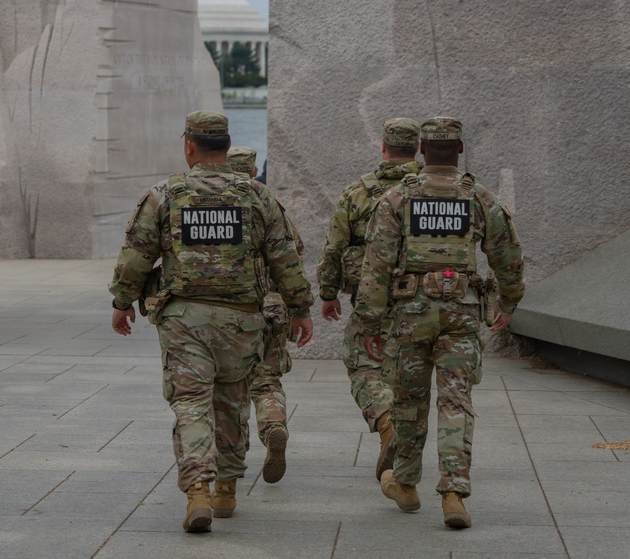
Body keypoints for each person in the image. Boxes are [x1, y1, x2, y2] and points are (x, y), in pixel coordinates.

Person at [109, 112, 314, 533]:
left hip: (184, 318)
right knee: (232, 400)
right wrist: (300, 309)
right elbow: (284, 257)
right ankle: (226, 488)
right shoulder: (257, 195)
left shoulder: (165, 194)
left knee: (190, 403)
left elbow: (137, 253)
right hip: (242, 319)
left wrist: (122, 301)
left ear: (189, 146)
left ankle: (197, 489)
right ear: (226, 145)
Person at [355, 117, 524, 529]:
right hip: (461, 315)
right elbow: (508, 257)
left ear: (421, 151)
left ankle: (407, 483)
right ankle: (453, 492)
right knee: (456, 402)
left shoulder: (397, 198)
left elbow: (375, 267)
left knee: (409, 404)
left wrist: (369, 325)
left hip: (410, 316)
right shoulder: (479, 197)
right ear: (460, 149)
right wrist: (508, 301)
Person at [317, 118, 423, 480]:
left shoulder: (358, 192)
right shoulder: (433, 190)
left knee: (363, 362)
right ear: (417, 149)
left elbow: (334, 247)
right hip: (424, 300)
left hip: (370, 295)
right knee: (410, 370)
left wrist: (328, 294)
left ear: (383, 147)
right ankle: (409, 454)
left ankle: (385, 419)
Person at [227, 146, 301, 484]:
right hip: (271, 307)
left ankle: (233, 456)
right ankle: (273, 425)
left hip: (229, 310)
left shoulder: (210, 204)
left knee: (230, 384)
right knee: (266, 380)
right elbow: (292, 251)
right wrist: (300, 307)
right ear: (255, 169)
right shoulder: (267, 201)